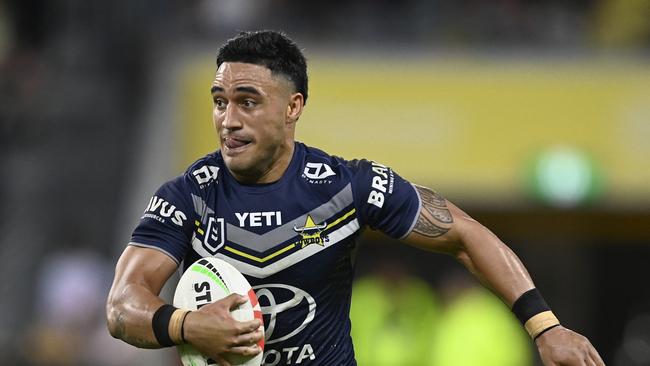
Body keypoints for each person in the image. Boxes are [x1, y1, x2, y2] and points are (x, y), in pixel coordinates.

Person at [106, 30, 605, 366]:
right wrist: (188, 324)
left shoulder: (346, 185)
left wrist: (546, 328)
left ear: (293, 107)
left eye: (247, 101)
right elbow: (122, 306)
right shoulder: (188, 195)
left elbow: (465, 236)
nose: (228, 120)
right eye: (219, 102)